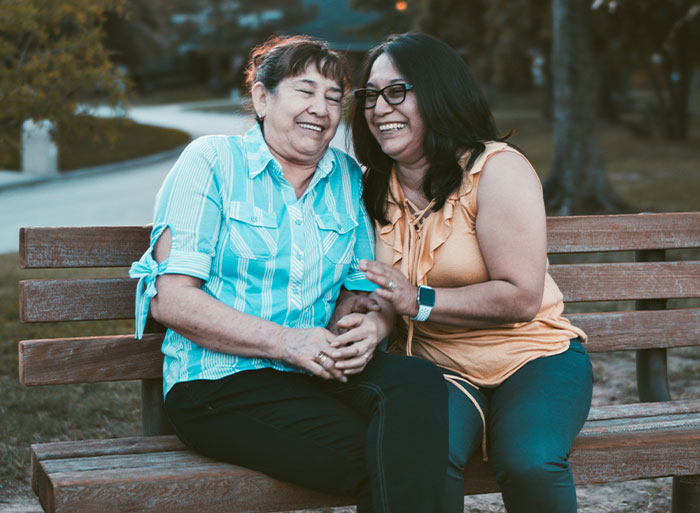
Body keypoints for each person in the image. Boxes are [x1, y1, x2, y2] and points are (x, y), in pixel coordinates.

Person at [129, 35, 449, 513]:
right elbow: (171, 300)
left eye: (333, 97)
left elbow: (361, 290)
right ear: (262, 97)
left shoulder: (348, 177)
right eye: (305, 90)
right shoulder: (212, 162)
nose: (320, 109)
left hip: (315, 371)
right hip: (220, 384)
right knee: (394, 458)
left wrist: (370, 325)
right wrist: (287, 341)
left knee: (417, 382)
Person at [350, 32, 593, 513]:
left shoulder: (496, 169)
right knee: (421, 460)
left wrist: (417, 299)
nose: (379, 108)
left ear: (439, 92)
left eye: (397, 91)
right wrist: (367, 318)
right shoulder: (370, 187)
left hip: (532, 358)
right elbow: (375, 290)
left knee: (531, 461)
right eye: (371, 96)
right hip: (435, 368)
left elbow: (521, 297)